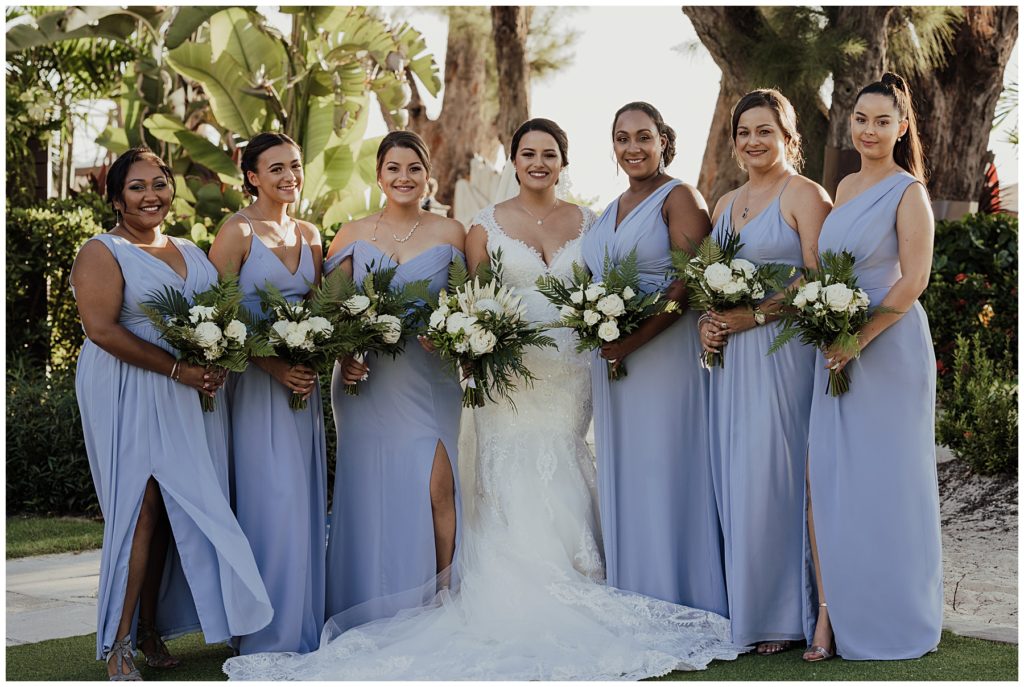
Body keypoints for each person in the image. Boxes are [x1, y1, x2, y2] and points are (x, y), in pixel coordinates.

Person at [222, 118, 741, 681]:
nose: (537, 162)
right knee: (485, 473)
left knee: (561, 460)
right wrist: (437, 348)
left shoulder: (591, 224)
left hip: (569, 367)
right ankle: (454, 588)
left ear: (563, 163)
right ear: (513, 161)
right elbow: (456, 302)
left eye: (549, 154)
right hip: (494, 373)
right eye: (527, 153)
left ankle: (578, 570)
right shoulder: (475, 227)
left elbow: (617, 284)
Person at [71, 147, 272, 680]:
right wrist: (179, 370)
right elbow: (102, 330)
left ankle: (151, 628)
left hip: (191, 395)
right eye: (137, 187)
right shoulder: (101, 250)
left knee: (177, 510)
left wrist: (218, 359)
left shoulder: (189, 249)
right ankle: (117, 643)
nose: (151, 195)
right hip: (127, 388)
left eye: (159, 183)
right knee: (139, 508)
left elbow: (216, 316)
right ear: (115, 197)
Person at [803, 72, 942, 661]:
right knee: (829, 477)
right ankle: (831, 616)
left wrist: (857, 339)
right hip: (835, 342)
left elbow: (912, 281)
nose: (869, 130)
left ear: (902, 127)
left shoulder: (909, 191)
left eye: (882, 121)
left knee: (888, 483)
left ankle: (893, 613)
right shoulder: (846, 186)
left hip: (886, 347)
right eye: (860, 119)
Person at [581, 102, 728, 616]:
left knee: (667, 466)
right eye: (622, 138)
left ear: (663, 140)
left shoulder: (680, 197)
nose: (633, 148)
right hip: (614, 360)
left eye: (644, 137)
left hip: (662, 356)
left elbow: (686, 286)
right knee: (629, 469)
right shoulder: (607, 209)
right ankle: (635, 592)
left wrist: (631, 340)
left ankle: (683, 595)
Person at [699, 89, 832, 653]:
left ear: (788, 138)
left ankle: (784, 614)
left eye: (765, 132)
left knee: (777, 475)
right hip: (732, 359)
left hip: (782, 352)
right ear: (734, 143)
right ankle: (748, 607)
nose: (754, 142)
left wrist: (754, 315)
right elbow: (708, 277)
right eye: (744, 133)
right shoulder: (725, 204)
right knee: (739, 475)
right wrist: (709, 322)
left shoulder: (806, 195)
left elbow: (819, 279)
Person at [321, 130, 466, 629]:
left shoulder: (452, 233)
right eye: (394, 169)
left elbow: (471, 307)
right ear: (379, 175)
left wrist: (452, 340)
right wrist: (346, 354)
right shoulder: (352, 233)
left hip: (431, 378)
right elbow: (329, 312)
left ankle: (445, 596)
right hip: (367, 381)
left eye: (414, 169)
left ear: (428, 175)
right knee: (374, 489)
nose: (404, 178)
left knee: (437, 487)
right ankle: (372, 600)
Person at [208, 132, 327, 655]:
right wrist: (273, 365)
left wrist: (318, 354)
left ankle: (301, 622)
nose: (289, 177)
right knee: (267, 502)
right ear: (252, 176)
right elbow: (215, 320)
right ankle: (262, 632)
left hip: (303, 392)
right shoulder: (236, 233)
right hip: (254, 389)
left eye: (295, 167)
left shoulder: (311, 233)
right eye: (275, 169)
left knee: (301, 503)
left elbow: (323, 310)